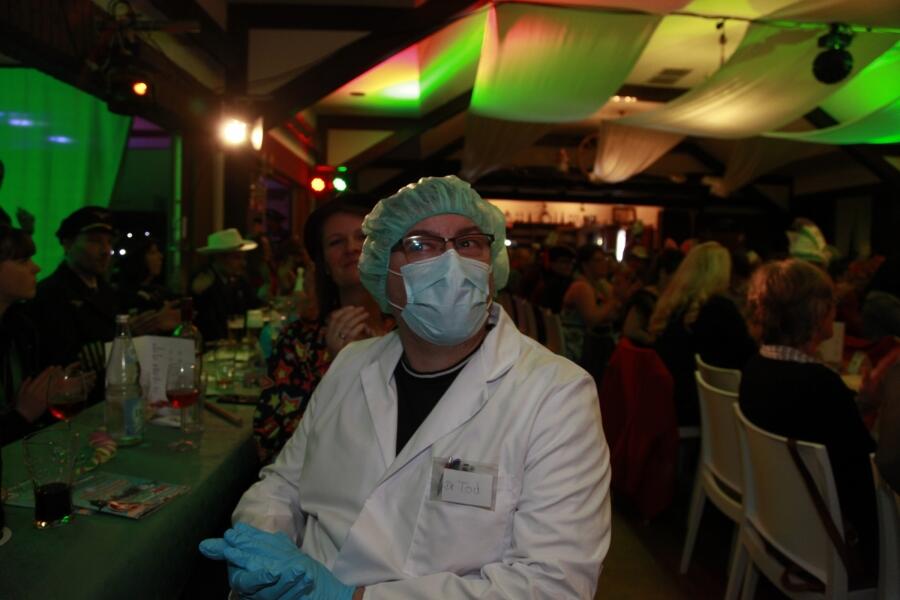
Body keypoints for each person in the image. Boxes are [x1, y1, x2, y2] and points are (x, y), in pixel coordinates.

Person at [201, 175, 611, 599]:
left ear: (493, 264)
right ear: (382, 271)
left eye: (468, 242)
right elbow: (283, 484)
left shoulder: (556, 394)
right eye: (421, 245)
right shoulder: (351, 364)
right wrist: (262, 546)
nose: (452, 262)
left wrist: (351, 597)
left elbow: (553, 584)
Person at [740, 259, 878, 586]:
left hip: (781, 525)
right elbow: (865, 470)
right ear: (815, 313)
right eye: (831, 303)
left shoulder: (755, 368)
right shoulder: (821, 386)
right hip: (833, 542)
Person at [253, 195, 392, 463]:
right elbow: (269, 441)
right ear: (325, 265)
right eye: (336, 242)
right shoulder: (298, 341)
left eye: (363, 237)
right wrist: (338, 370)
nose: (351, 248)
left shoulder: (411, 333)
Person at [27, 206, 177, 378]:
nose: (106, 250)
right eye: (95, 241)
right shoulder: (49, 294)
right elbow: (66, 365)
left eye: (109, 242)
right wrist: (127, 336)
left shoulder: (108, 292)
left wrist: (155, 326)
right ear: (68, 243)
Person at [650, 241, 756, 426]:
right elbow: (748, 358)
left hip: (669, 402)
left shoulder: (673, 307)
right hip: (702, 410)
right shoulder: (719, 309)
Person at [0, 226, 64, 444]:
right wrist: (23, 414)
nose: (36, 268)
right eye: (23, 261)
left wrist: (52, 393)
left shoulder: (21, 327)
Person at [191, 228, 263, 343]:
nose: (243, 263)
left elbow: (255, 304)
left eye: (243, 258)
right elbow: (207, 324)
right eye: (237, 258)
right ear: (219, 258)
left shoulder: (239, 280)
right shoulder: (204, 281)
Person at [113, 236, 176, 314]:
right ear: (137, 259)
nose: (160, 256)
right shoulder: (125, 297)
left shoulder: (160, 291)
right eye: (152, 253)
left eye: (158, 252)